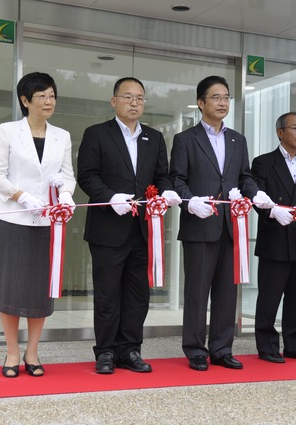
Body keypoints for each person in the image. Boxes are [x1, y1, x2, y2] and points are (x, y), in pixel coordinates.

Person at [170, 75, 274, 371]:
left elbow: (245, 177)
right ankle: (195, 349)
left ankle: (221, 348)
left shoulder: (237, 139)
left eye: (226, 97)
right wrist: (190, 201)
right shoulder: (185, 139)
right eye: (216, 97)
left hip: (231, 226)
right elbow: (176, 178)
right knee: (197, 292)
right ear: (200, 103)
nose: (223, 102)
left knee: (228, 292)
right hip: (199, 226)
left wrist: (256, 195)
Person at [77, 77, 181, 375]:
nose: (134, 103)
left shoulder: (154, 137)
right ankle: (106, 352)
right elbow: (87, 175)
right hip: (108, 228)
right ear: (114, 101)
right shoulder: (97, 134)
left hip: (143, 229)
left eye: (140, 98)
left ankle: (131, 350)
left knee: (137, 295)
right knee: (108, 294)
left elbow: (161, 176)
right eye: (128, 97)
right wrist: (110, 197)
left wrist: (167, 190)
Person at [0, 72, 76, 377]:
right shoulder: (8, 132)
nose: (49, 101)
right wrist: (21, 196)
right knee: (10, 286)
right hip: (12, 218)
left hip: (47, 223)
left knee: (41, 288)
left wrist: (65, 195)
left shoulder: (61, 136)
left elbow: (67, 176)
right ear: (25, 101)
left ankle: (33, 352)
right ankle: (12, 352)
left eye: (52, 95)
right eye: (42, 96)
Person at [251, 112, 296, 364]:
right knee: (270, 297)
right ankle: (267, 346)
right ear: (280, 132)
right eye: (295, 128)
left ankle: (295, 345)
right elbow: (256, 198)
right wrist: (273, 211)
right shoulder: (263, 162)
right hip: (275, 238)